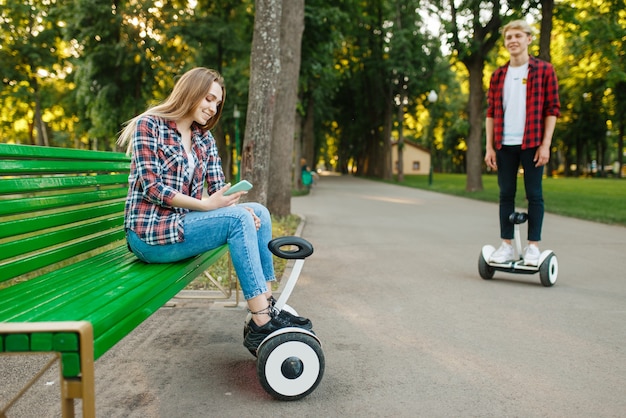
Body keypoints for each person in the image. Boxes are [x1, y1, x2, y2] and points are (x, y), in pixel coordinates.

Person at [117, 67, 311, 352]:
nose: (212, 108)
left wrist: (239, 208)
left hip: (183, 227)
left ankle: (267, 305)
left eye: (217, 103)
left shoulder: (203, 139)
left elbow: (219, 189)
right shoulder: (151, 125)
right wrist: (205, 205)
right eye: (208, 99)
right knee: (237, 220)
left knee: (260, 211)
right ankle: (261, 320)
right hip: (149, 235)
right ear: (190, 92)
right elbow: (151, 187)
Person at [484, 20, 560, 266]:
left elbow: (552, 109)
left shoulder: (544, 70)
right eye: (508, 37)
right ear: (505, 43)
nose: (513, 41)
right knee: (506, 194)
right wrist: (489, 147)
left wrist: (546, 144)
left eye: (518, 35)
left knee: (534, 194)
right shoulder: (498, 75)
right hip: (505, 144)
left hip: (533, 143)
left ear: (528, 39)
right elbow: (491, 113)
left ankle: (533, 248)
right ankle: (506, 245)